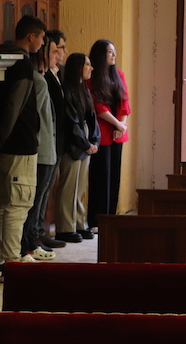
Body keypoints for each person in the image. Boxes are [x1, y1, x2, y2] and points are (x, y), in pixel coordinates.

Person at [0, 15, 46, 272]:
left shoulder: (2, 58)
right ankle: (11, 261)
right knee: (18, 204)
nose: (42, 44)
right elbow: (14, 107)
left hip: (4, 145)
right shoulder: (22, 65)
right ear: (31, 37)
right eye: (41, 38)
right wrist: (0, 138)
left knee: (3, 203)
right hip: (19, 144)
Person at [19, 40, 58, 261]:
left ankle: (31, 241)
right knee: (32, 202)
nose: (57, 55)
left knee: (40, 199)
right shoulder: (37, 80)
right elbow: (37, 118)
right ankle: (28, 243)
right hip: (41, 149)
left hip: (47, 148)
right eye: (53, 51)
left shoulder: (42, 79)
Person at [56, 53, 100, 242]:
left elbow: (92, 118)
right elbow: (71, 121)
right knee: (69, 187)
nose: (91, 68)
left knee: (81, 187)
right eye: (87, 65)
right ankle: (65, 227)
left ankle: (80, 223)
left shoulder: (84, 89)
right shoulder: (67, 89)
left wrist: (95, 141)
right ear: (77, 67)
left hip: (86, 142)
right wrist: (85, 143)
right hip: (73, 144)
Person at [87, 39, 131, 231]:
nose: (114, 55)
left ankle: (111, 218)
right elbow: (98, 106)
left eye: (114, 51)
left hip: (117, 132)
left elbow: (125, 102)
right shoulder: (92, 77)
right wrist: (118, 124)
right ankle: (97, 220)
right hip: (102, 131)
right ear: (100, 55)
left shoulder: (119, 75)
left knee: (114, 176)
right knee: (100, 177)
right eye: (109, 52)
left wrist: (122, 125)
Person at [38, 29, 68, 250]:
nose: (60, 54)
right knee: (40, 191)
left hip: (57, 140)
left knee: (47, 189)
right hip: (47, 140)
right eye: (57, 49)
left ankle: (40, 231)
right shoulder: (44, 77)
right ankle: (36, 233)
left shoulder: (58, 74)